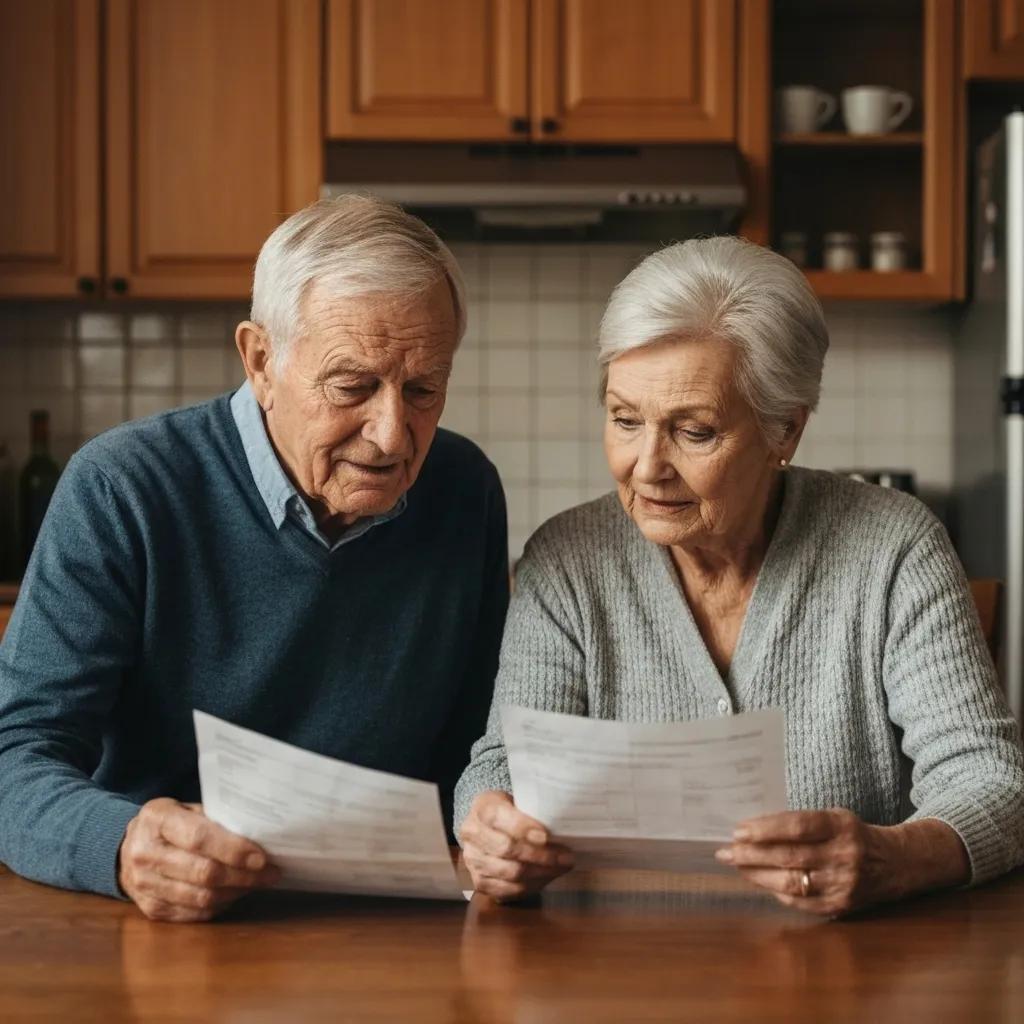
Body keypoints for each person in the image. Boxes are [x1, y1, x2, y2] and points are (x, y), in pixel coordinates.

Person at [455, 236, 1024, 916]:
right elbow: (503, 765)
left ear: (785, 431)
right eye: (624, 420)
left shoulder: (892, 547)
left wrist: (892, 858)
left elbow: (992, 781)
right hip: (610, 973)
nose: (646, 466)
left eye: (693, 432)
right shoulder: (567, 561)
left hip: (845, 977)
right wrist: (492, 823)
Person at [0, 196, 508, 921]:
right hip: (167, 918)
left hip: (390, 922)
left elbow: (472, 752)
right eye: (352, 386)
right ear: (262, 360)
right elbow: (14, 756)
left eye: (423, 389)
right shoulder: (122, 487)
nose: (393, 435)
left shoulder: (464, 490)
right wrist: (121, 844)